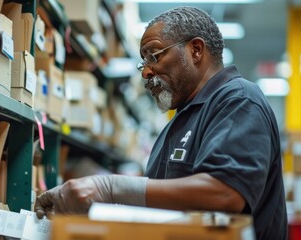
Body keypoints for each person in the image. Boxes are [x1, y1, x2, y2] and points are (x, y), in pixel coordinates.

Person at [35, 6, 287, 240]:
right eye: (143, 62)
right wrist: (92, 206)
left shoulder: (238, 101)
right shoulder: (179, 121)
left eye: (153, 56)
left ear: (196, 50)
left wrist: (109, 187)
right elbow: (163, 206)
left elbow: (224, 193)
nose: (146, 72)